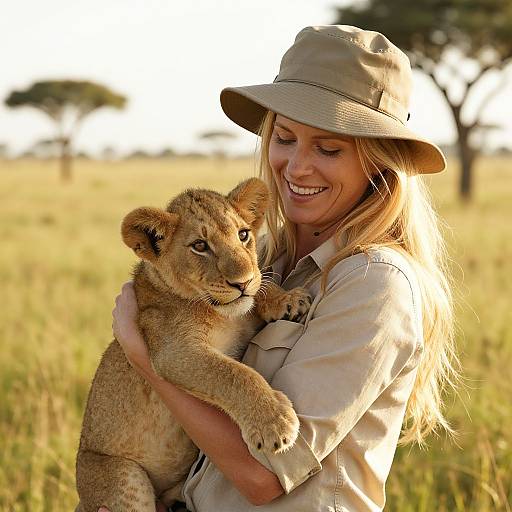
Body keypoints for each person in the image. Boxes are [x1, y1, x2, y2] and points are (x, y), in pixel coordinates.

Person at [102, 25, 457, 512]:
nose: (296, 167)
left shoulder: (374, 284)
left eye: (328, 149)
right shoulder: (263, 258)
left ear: (378, 162)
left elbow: (264, 476)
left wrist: (144, 354)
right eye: (285, 139)